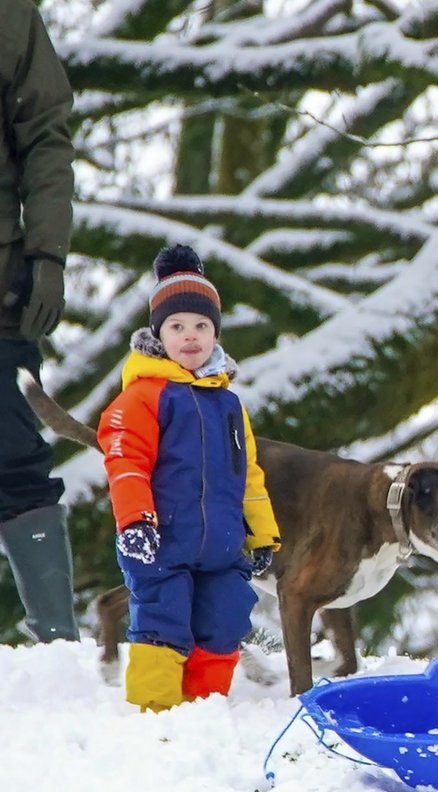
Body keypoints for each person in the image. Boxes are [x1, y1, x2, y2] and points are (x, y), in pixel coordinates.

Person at [96, 245, 281, 712]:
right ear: (158, 336)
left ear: (216, 333)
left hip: (221, 545)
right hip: (160, 544)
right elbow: (126, 461)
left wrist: (261, 532)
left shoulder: (229, 404)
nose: (191, 336)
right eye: (177, 326)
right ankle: (154, 714)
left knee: (225, 621)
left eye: (201, 326)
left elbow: (250, 475)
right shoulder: (145, 396)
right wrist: (135, 521)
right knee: (163, 621)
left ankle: (203, 711)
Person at [0, 0, 79, 643]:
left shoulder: (11, 16)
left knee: (16, 459)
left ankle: (57, 645)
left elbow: (46, 134)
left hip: (2, 290)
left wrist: (47, 253)